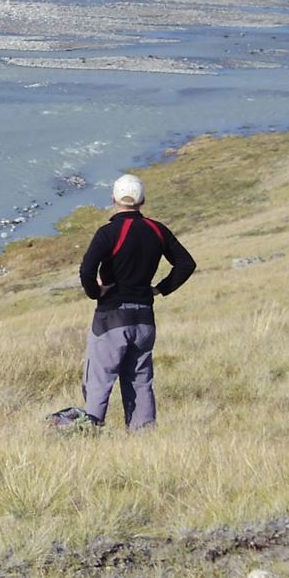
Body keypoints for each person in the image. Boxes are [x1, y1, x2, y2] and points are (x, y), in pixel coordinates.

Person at [76, 173, 196, 431]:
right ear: (142, 201)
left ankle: (90, 434)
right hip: (144, 319)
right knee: (140, 381)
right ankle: (144, 438)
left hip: (111, 317)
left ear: (113, 199)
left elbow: (87, 271)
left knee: (99, 380)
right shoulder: (157, 230)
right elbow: (186, 264)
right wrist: (159, 289)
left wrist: (96, 293)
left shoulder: (108, 232)